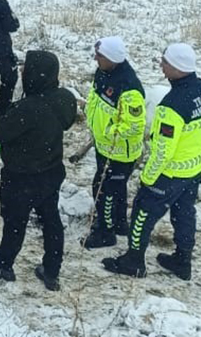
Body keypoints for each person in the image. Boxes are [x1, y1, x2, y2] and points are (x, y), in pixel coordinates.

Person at [104, 43, 201, 280]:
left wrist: (148, 177)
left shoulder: (171, 107)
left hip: (169, 173)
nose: (162, 68)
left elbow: (162, 151)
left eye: (164, 63)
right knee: (184, 212)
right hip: (195, 167)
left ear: (177, 67)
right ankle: (183, 260)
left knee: (143, 212)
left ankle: (134, 260)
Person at [0, 50, 77, 291]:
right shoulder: (65, 99)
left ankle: (4, 264)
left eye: (25, 70)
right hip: (51, 172)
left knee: (15, 221)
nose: (22, 74)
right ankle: (52, 270)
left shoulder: (27, 108)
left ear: (35, 74)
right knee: (51, 220)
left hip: (21, 176)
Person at [82, 36, 146, 249]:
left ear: (112, 58)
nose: (95, 59)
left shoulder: (129, 88)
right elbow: (95, 97)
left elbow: (134, 126)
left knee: (103, 190)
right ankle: (119, 223)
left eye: (99, 56)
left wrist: (108, 132)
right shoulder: (103, 72)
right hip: (104, 146)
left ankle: (105, 232)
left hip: (119, 151)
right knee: (115, 187)